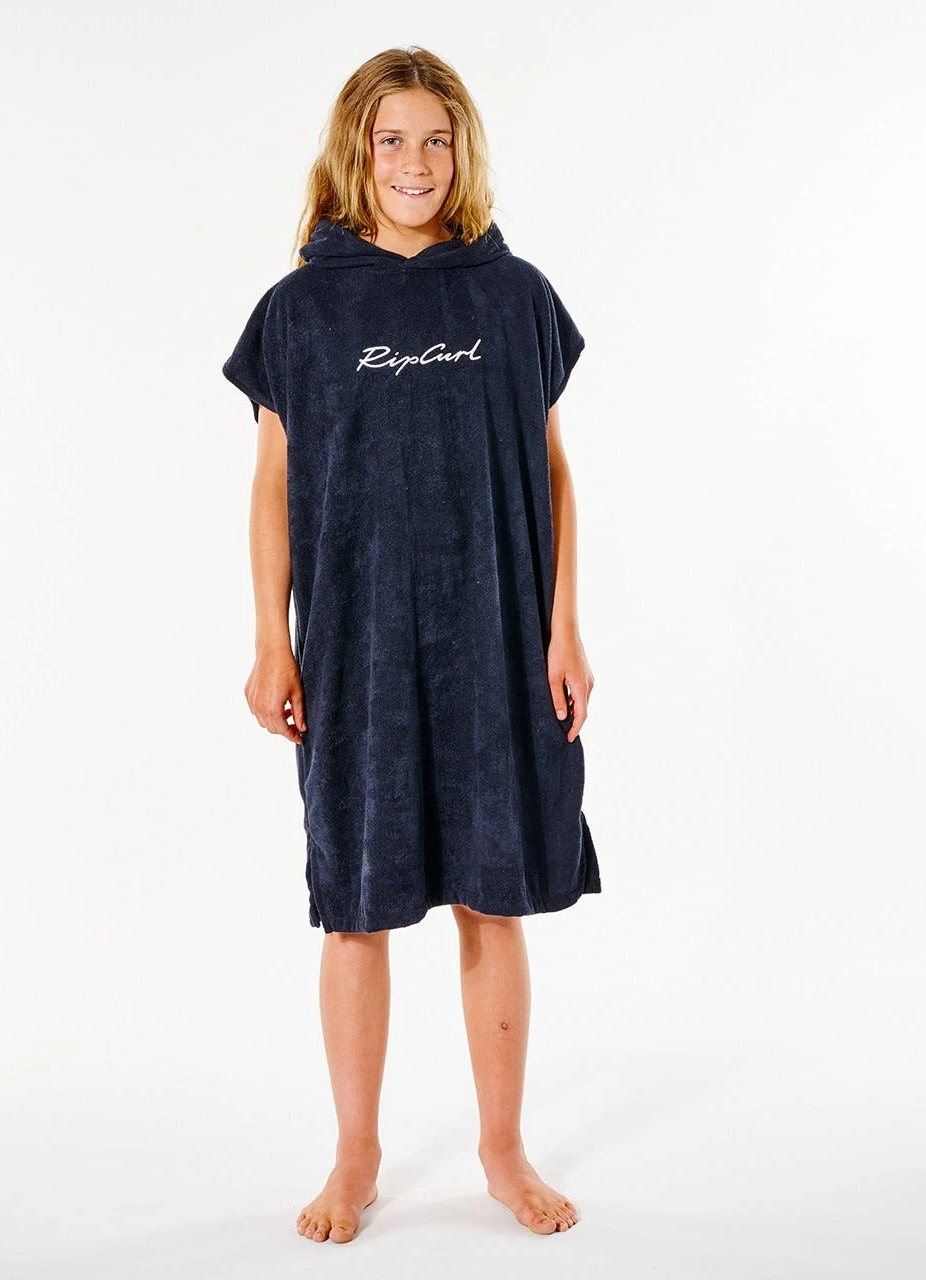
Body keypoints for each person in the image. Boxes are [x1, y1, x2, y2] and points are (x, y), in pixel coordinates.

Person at [221, 46, 602, 1243]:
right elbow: (273, 483)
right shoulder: (301, 310)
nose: (416, 162)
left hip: (494, 635)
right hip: (359, 644)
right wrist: (271, 640)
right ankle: (357, 1153)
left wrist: (564, 625)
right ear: (358, 150)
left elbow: (552, 471)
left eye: (438, 138)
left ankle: (502, 1148)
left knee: (495, 894)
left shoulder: (512, 296)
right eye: (393, 139)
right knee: (357, 903)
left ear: (462, 151)